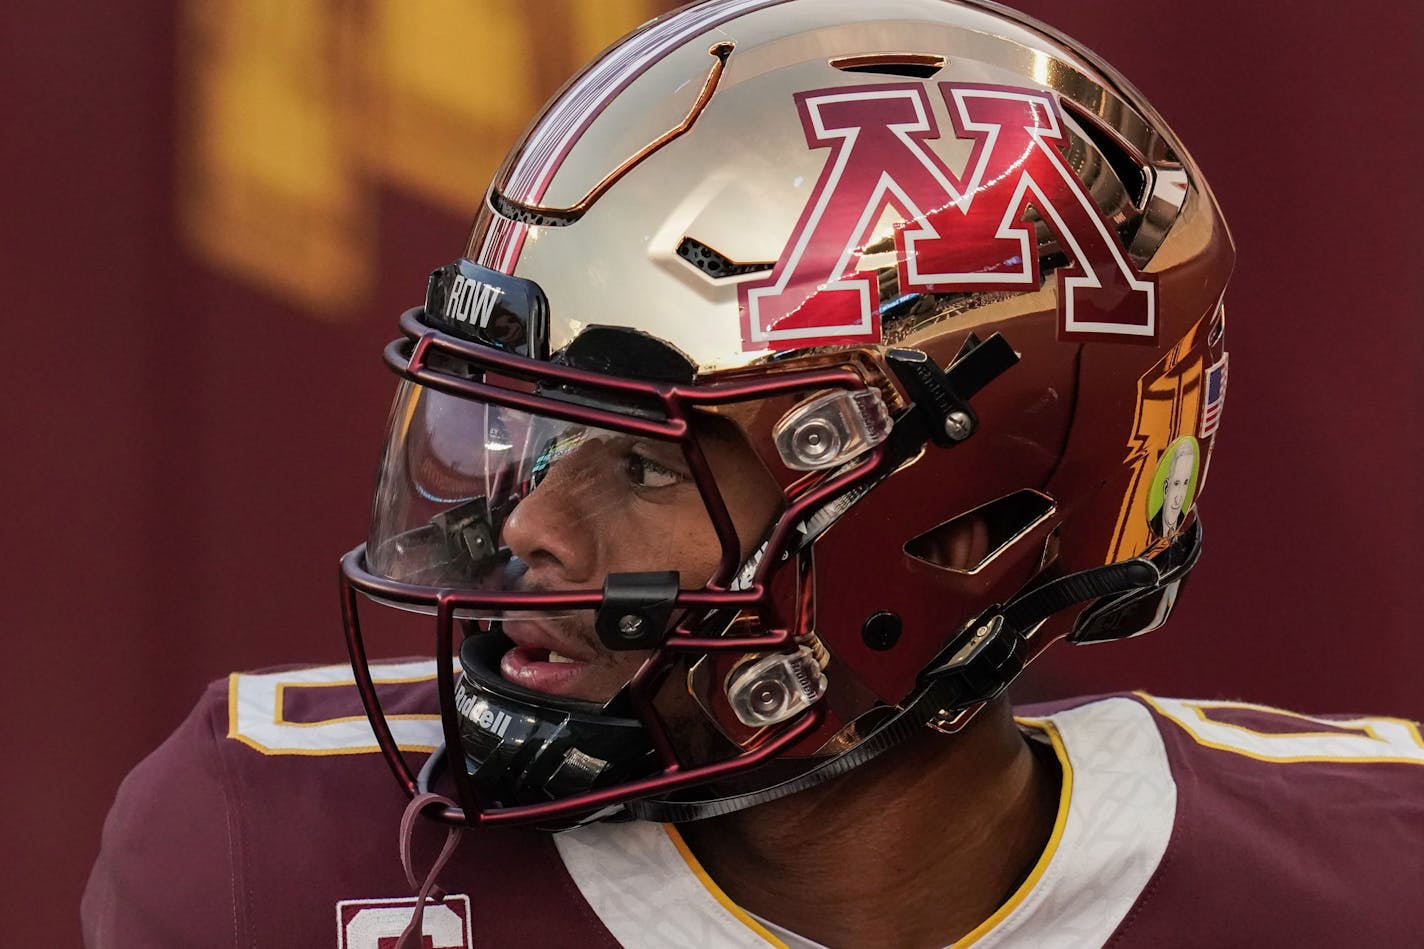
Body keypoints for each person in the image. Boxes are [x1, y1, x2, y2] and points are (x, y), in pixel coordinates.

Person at [84, 1, 1423, 946]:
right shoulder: (259, 858)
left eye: (643, 464)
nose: (529, 526)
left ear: (961, 534)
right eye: (529, 439)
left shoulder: (1368, 880)